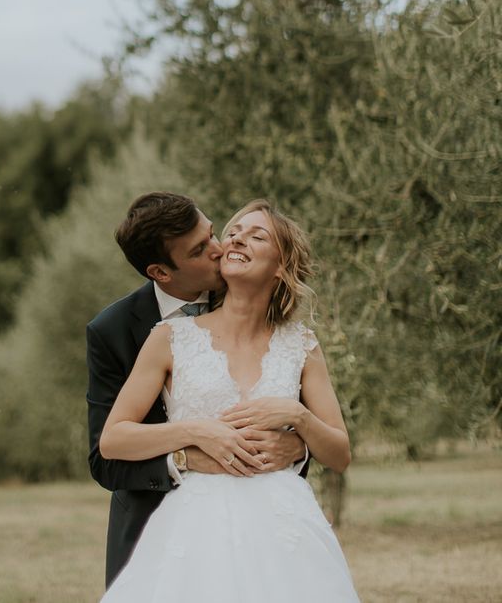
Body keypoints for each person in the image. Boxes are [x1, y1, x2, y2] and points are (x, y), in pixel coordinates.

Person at [98, 198, 359, 601]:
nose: (233, 240)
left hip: (285, 531)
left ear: (281, 266)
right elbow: (112, 439)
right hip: (196, 528)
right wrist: (196, 434)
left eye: (257, 236)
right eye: (235, 231)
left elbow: (340, 454)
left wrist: (299, 419)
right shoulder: (170, 338)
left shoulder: (302, 345)